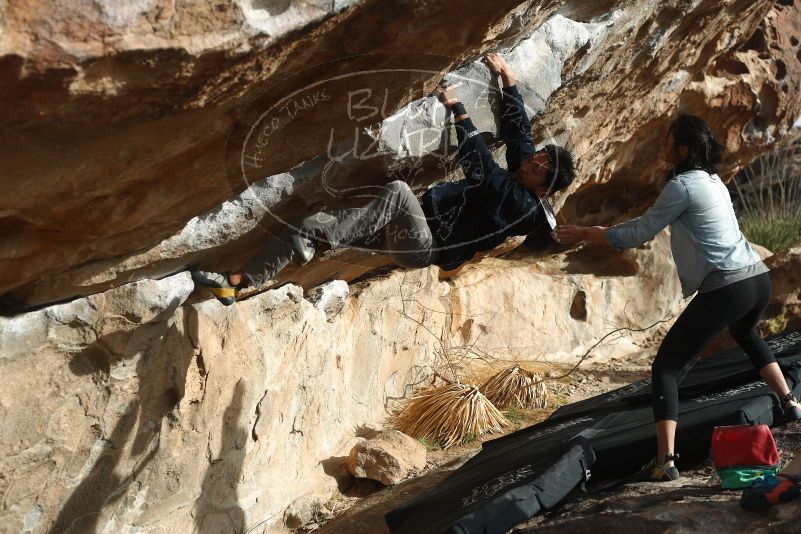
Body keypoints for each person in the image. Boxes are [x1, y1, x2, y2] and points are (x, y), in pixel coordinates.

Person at [192, 53, 576, 305]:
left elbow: (480, 166)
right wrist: (509, 81)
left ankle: (317, 240)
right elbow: (521, 138)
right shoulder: (529, 178)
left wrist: (457, 107)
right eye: (539, 158)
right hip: (410, 228)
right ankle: (237, 282)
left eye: (539, 166)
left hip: (422, 245)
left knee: (397, 191)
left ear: (543, 188)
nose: (532, 161)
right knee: (310, 224)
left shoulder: (517, 204)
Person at [555, 114, 801, 482]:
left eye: (669, 140)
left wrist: (587, 233)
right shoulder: (714, 181)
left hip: (729, 285)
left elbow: (638, 232)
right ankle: (789, 401)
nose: (663, 146)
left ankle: (665, 461)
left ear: (684, 148)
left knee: (666, 368)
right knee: (746, 334)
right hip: (757, 278)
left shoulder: (682, 186)